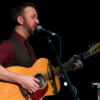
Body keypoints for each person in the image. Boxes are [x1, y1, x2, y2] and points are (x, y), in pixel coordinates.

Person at [0, 1, 83, 99]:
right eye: (33, 17)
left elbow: (39, 79)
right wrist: (22, 80)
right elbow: (25, 80)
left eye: (37, 17)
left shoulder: (30, 47)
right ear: (20, 20)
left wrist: (66, 68)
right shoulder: (9, 45)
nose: (38, 21)